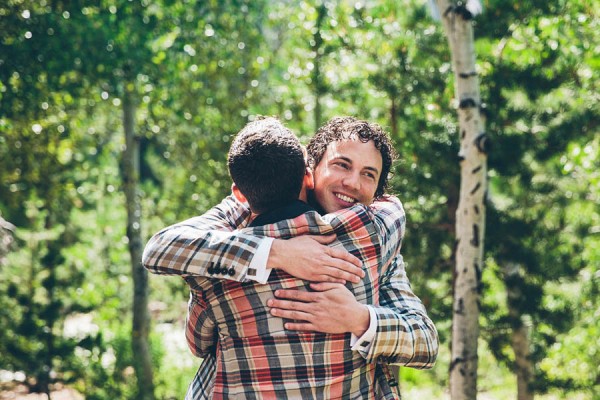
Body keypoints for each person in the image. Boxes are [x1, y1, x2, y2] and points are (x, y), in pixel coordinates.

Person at [143, 116, 438, 399]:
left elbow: (424, 342)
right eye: (342, 165)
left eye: (368, 174)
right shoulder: (240, 212)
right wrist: (275, 252)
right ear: (309, 170)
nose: (352, 182)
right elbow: (161, 247)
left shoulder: (376, 236)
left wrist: (359, 319)